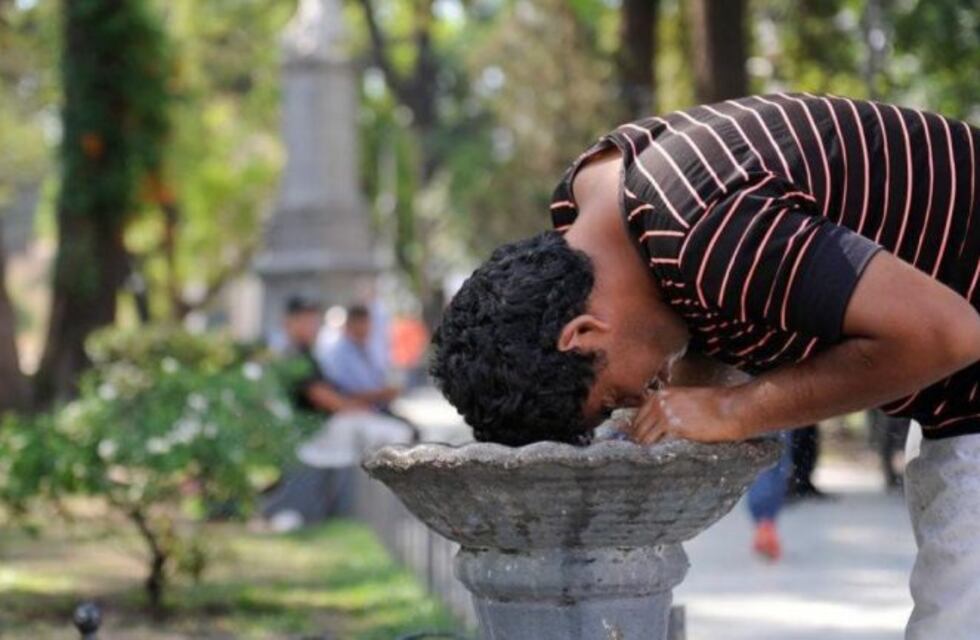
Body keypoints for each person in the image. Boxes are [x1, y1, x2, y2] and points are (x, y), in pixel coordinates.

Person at [429, 94, 979, 639]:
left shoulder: (706, 231)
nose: (639, 402)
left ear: (583, 334)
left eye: (616, 398)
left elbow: (949, 334)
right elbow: (708, 314)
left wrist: (737, 409)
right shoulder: (594, 207)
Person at [262, 296, 413, 530]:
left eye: (313, 321)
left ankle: (383, 510)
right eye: (305, 321)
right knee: (396, 433)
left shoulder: (306, 352)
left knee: (397, 430)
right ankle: (388, 511)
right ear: (289, 322)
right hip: (314, 431)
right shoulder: (292, 355)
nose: (311, 327)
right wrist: (365, 407)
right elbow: (326, 399)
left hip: (327, 425)